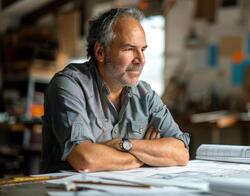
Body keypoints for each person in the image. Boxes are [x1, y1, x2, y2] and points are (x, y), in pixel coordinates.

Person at [41, 8, 190, 173]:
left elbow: (180, 153)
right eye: (129, 49)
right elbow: (85, 159)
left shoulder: (144, 94)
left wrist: (125, 144)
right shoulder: (69, 85)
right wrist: (148, 156)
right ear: (100, 52)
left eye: (143, 49)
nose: (141, 59)